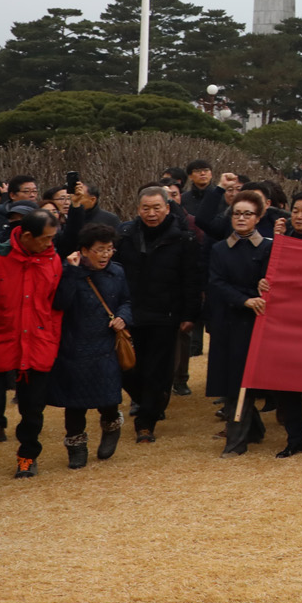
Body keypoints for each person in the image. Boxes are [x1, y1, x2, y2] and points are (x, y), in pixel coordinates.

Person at [0, 208, 65, 490]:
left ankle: (28, 456)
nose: (50, 244)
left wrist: (52, 341)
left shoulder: (53, 260)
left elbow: (52, 308)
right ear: (27, 235)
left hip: (37, 345)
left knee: (33, 408)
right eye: (45, 239)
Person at [113, 185, 203, 444]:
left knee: (158, 371)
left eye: (156, 208)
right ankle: (147, 401)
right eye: (145, 208)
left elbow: (192, 279)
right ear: (138, 209)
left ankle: (146, 422)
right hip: (130, 313)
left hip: (166, 313)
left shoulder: (183, 238)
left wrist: (190, 314)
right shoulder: (126, 234)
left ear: (167, 207)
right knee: (128, 368)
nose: (151, 213)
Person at [49, 225, 131, 469]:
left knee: (108, 398)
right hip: (74, 345)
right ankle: (76, 446)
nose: (105, 255)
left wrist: (123, 317)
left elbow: (126, 300)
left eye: (109, 249)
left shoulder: (117, 272)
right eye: (99, 250)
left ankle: (111, 428)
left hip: (106, 344)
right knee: (75, 404)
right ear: (84, 250)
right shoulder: (69, 272)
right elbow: (60, 302)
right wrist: (72, 272)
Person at [207, 194, 276, 456]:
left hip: (259, 323)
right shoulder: (219, 249)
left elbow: (278, 278)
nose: (242, 218)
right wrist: (244, 299)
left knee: (247, 381)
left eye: (248, 214)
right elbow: (216, 283)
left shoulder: (269, 247)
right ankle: (244, 436)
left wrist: (265, 288)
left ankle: (238, 440)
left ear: (258, 218)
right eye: (237, 213)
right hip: (231, 321)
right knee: (234, 380)